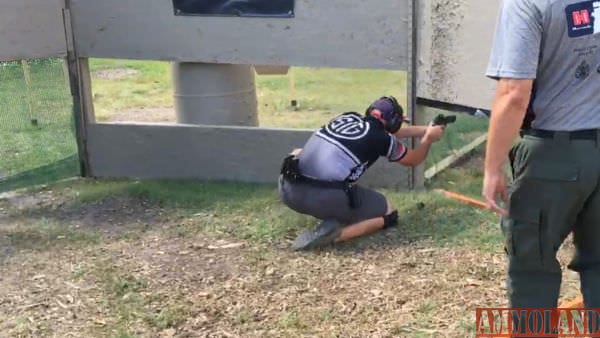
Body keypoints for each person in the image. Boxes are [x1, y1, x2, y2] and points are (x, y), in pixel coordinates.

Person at [483, 0, 600, 332]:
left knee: (532, 268)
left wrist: (492, 168)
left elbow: (514, 93)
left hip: (553, 151)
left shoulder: (526, 3)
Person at [278, 96, 446, 251]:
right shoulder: (380, 138)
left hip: (287, 189)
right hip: (322, 197)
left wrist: (427, 130)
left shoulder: (347, 118)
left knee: (301, 153)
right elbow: (414, 160)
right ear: (393, 122)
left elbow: (385, 134)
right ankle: (335, 235)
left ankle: (334, 217)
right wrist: (428, 140)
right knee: (390, 213)